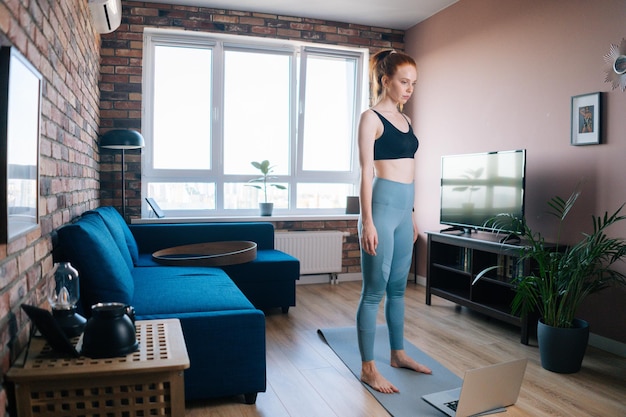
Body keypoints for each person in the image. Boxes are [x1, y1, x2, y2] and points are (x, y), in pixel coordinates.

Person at [356, 49, 432, 394]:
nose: (409, 88)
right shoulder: (370, 118)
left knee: (398, 289)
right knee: (374, 292)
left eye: (413, 83)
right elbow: (364, 173)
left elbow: (410, 171)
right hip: (381, 210)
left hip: (404, 212)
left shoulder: (408, 121)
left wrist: (413, 215)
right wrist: (368, 222)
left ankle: (397, 354)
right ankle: (368, 368)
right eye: (404, 81)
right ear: (386, 80)